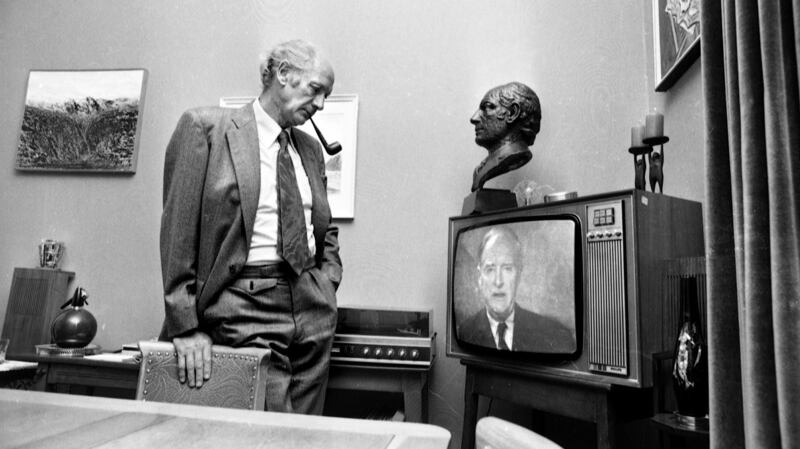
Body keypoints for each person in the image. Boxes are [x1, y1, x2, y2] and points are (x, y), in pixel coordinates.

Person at [159, 39, 342, 415]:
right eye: (316, 90)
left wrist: (327, 281)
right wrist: (185, 326)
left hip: (312, 305)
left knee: (309, 432)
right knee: (273, 431)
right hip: (243, 303)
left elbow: (323, 225)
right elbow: (178, 231)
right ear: (283, 75)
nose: (321, 104)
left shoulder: (309, 148)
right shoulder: (206, 129)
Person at [458, 227, 574, 352]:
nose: (498, 282)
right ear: (480, 276)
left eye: (507, 268)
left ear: (519, 274)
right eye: (490, 269)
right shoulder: (465, 331)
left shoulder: (555, 335)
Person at [470, 82, 542, 192]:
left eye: (488, 107)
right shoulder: (480, 169)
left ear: (513, 113)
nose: (474, 118)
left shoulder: (512, 156)